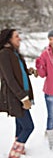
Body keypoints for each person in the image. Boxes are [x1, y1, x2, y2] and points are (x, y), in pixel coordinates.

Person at [0, 28, 35, 158]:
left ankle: (20, 147)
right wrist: (23, 98)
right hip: (15, 96)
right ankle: (15, 153)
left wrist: (29, 71)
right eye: (16, 36)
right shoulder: (4, 54)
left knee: (20, 124)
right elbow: (9, 79)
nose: (19, 38)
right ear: (9, 39)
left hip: (21, 94)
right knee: (28, 127)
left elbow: (19, 71)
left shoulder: (14, 53)